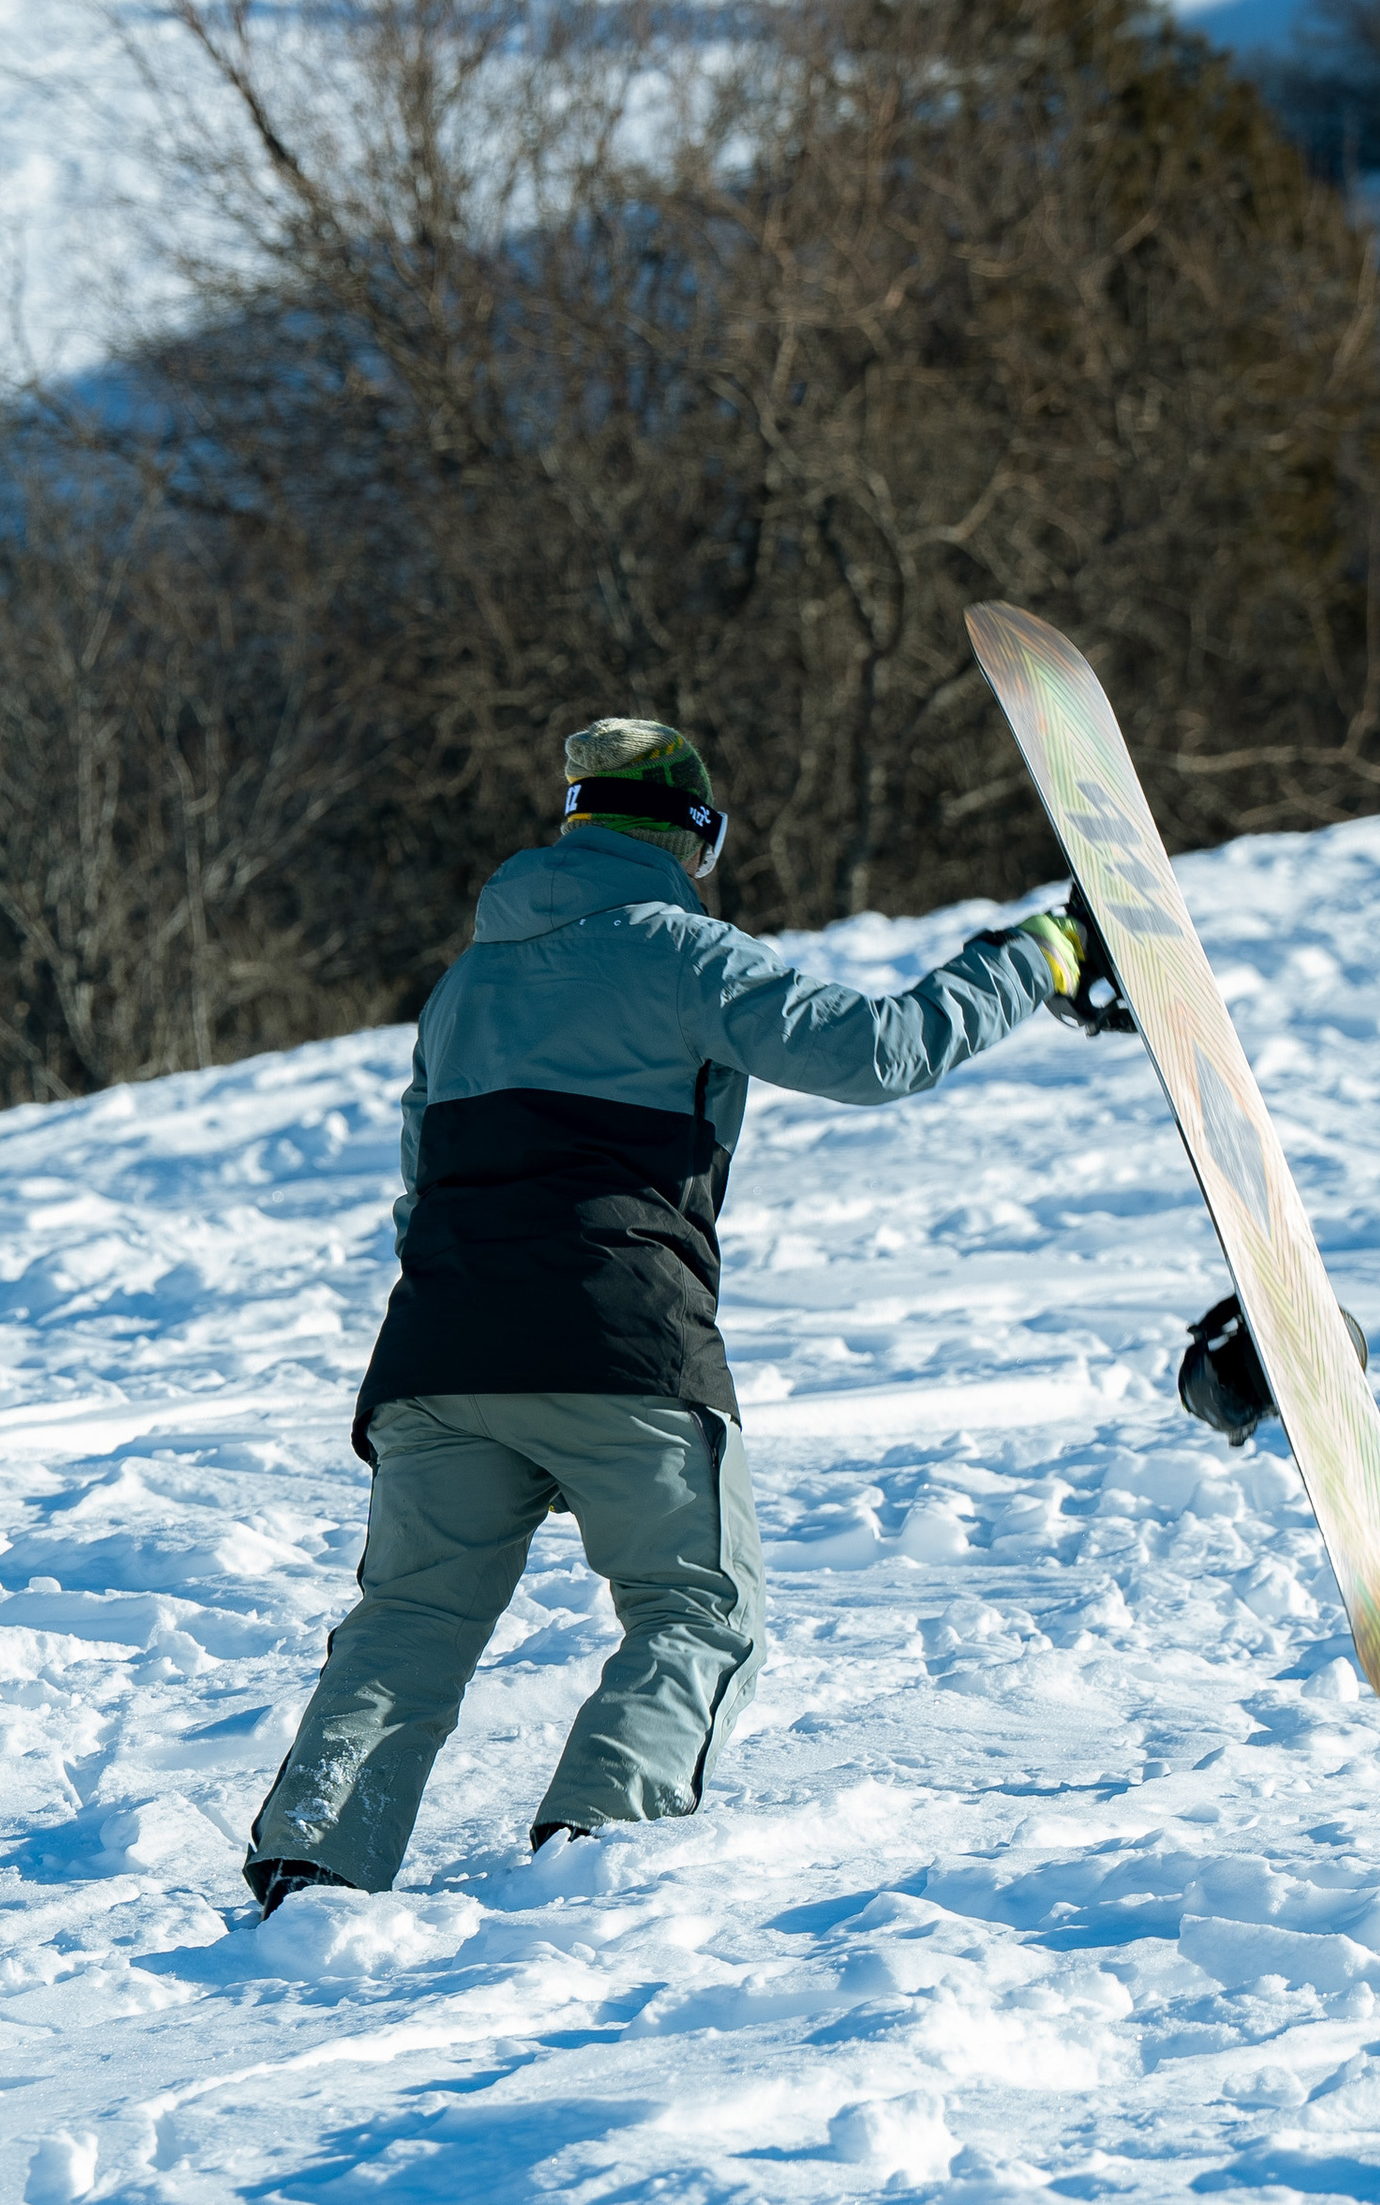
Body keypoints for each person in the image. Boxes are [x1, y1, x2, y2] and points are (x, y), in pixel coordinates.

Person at [245, 714, 1127, 1911]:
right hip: (619, 1341)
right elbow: (879, 1053)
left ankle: (310, 1864)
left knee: (410, 1620)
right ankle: (598, 1850)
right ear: (693, 836)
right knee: (697, 1608)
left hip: (438, 1352)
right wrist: (1043, 955)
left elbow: (418, 1184)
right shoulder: (681, 953)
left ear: (572, 826)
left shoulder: (467, 983)